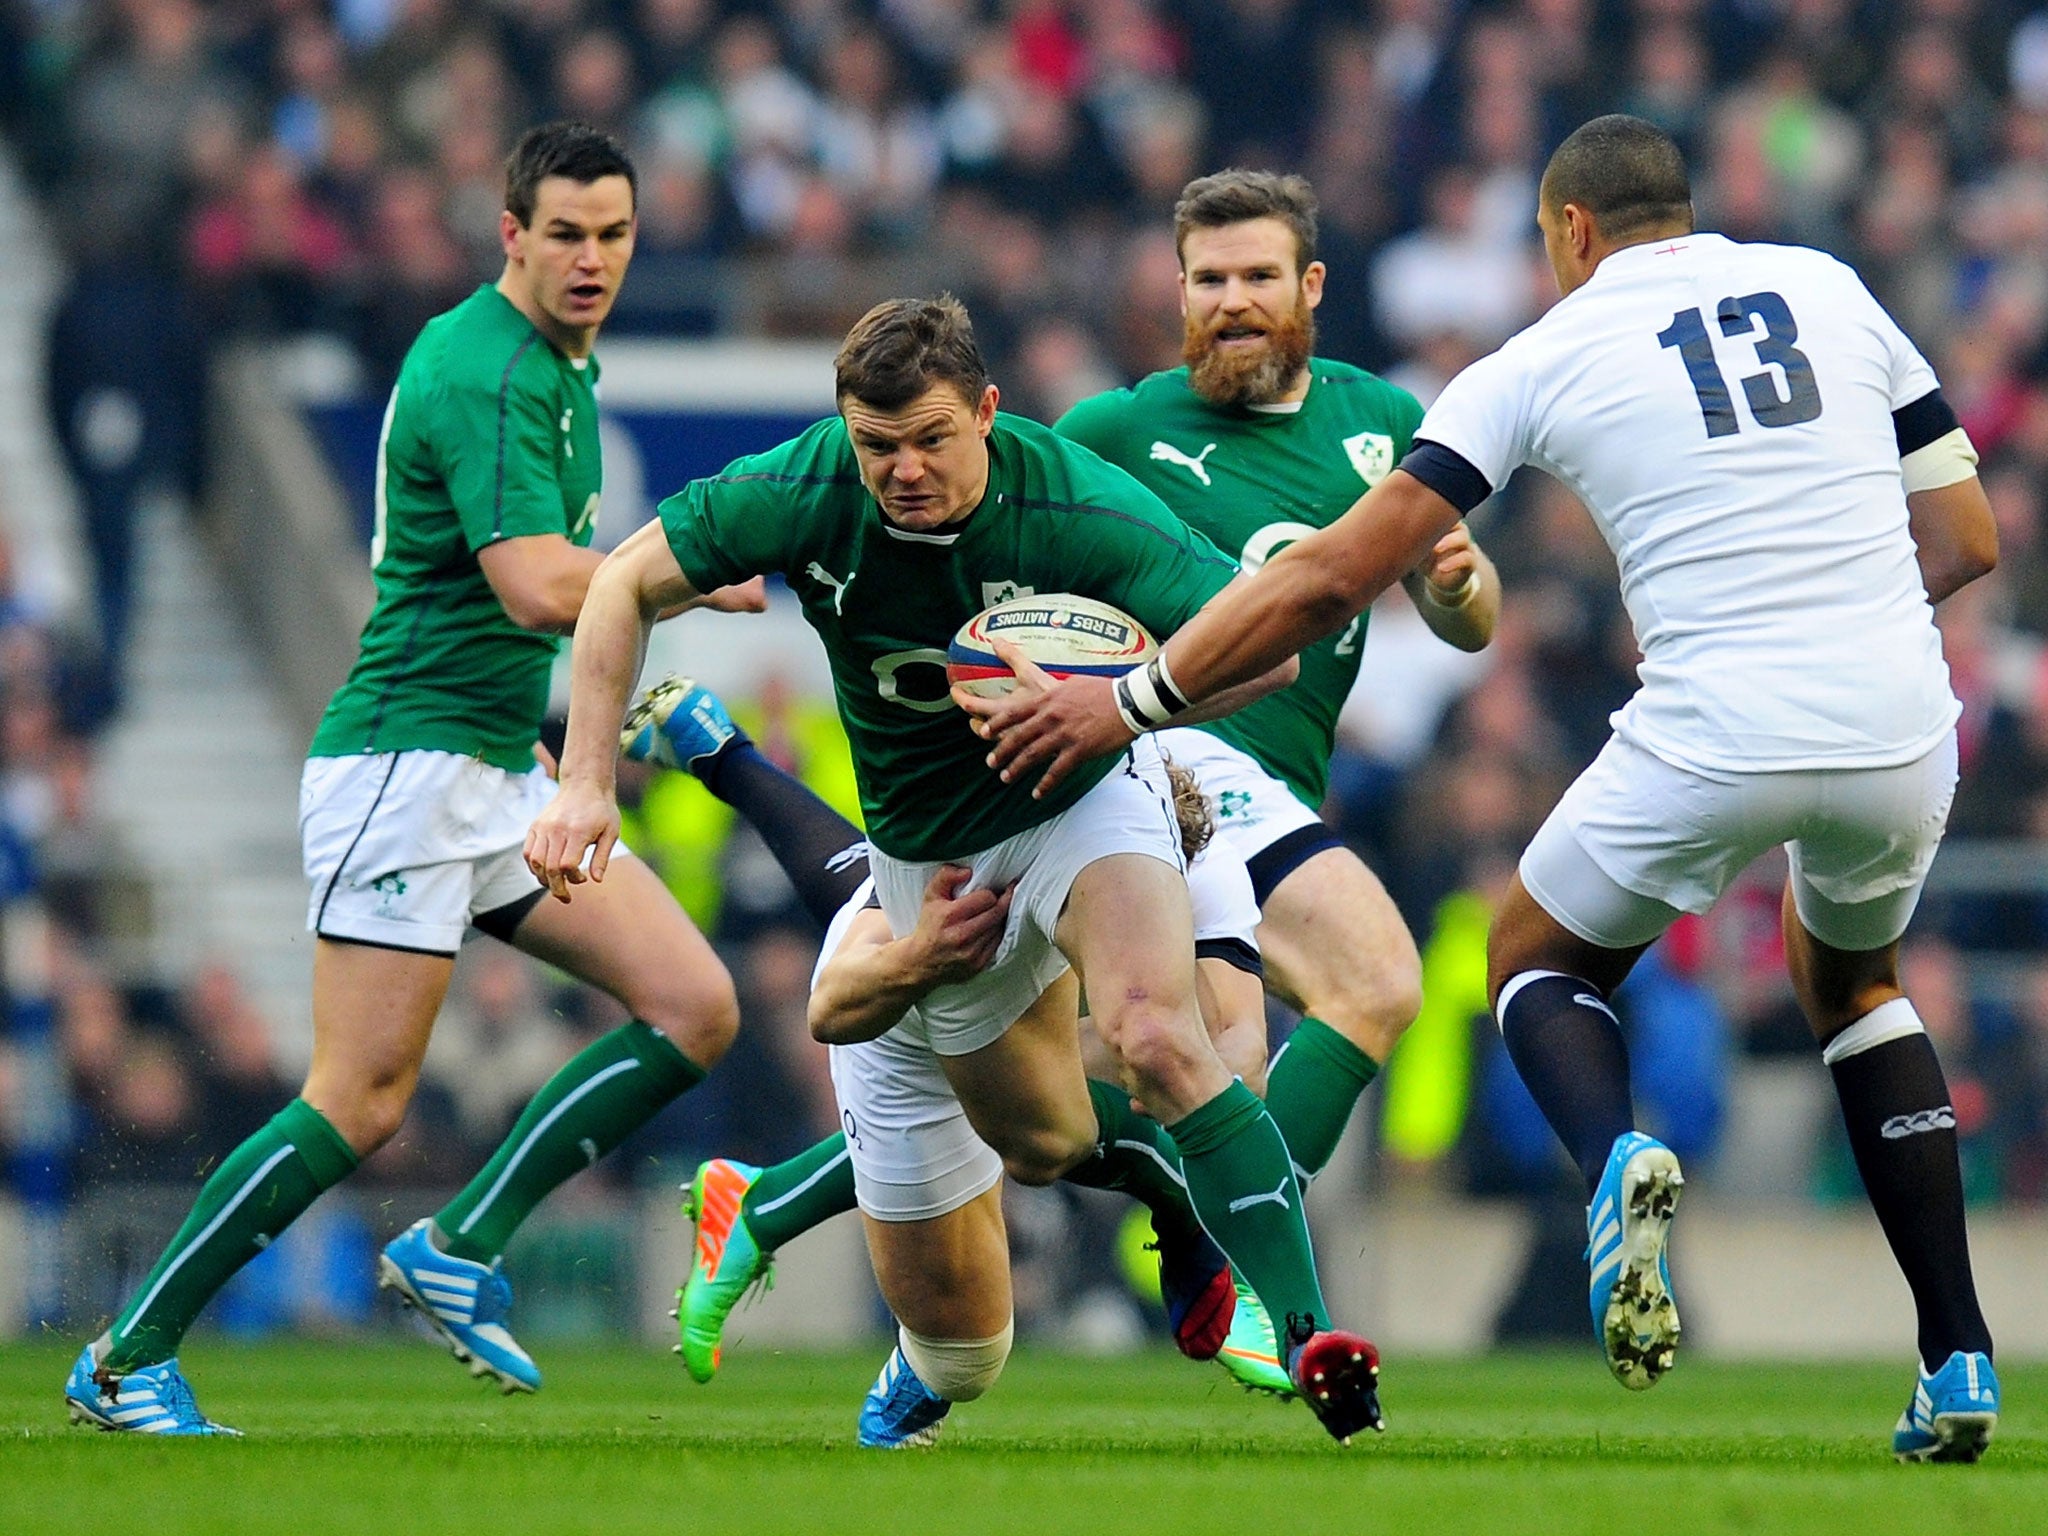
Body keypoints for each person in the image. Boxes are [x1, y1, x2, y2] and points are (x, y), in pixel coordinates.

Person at [968, 115, 2003, 1463]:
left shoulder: (1545, 351)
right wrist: (1844, 622)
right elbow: (1970, 537)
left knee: (1528, 959)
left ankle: (1609, 1159)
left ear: (1567, 230)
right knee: (1858, 990)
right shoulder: (1832, 288)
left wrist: (1133, 699)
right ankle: (1959, 1354)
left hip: (1716, 718)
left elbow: (1335, 576)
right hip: (1899, 713)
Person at [525, 294, 1383, 1443]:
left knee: (1157, 1034)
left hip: (1078, 802)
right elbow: (624, 582)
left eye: (931, 439)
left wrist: (1118, 710)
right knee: (1034, 1165)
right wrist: (585, 778)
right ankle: (809, 1238)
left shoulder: (1070, 504)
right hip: (929, 866)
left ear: (986, 410)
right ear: (843, 428)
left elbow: (1264, 652)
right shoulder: (804, 490)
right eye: (877, 445)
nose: (904, 470)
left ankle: (1306, 1333)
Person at [65, 122, 759, 1436]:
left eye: (614, 234)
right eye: (566, 233)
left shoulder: (558, 366)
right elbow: (532, 582)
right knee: (362, 1098)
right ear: (511, 234)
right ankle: (122, 1356)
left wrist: (555, 750)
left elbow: (516, 598)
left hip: (492, 763)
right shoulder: (491, 372)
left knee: (694, 1004)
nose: (593, 258)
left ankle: (460, 1246)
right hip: (402, 766)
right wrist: (678, 566)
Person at [617, 677, 1294, 1414]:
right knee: (989, 1290)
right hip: (903, 1007)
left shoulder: (1201, 863)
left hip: (1020, 1023)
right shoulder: (1003, 854)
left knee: (1130, 1089)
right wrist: (920, 962)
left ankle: (758, 1203)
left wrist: (1193, 1100)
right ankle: (763, 1209)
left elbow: (1240, 1054)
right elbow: (832, 1004)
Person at [1055, 167, 1499, 1203]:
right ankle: (1245, 1251)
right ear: (1177, 296)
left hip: (1279, 792)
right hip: (1160, 771)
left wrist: (1456, 580)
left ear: (1309, 287)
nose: (1231, 300)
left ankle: (840, 1157)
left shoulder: (1385, 420)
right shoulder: (1111, 433)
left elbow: (1469, 627)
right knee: (1374, 979)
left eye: (1257, 275)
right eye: (1207, 280)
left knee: (1189, 1065)